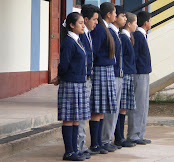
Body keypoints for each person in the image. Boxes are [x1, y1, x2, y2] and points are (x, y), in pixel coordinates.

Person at [57, 12, 89, 161]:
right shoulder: (69, 42)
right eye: (80, 23)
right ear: (72, 25)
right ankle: (69, 151)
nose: (83, 25)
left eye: (83, 22)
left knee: (76, 118)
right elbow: (64, 65)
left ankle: (75, 149)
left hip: (79, 83)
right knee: (69, 118)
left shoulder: (78, 40)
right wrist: (61, 76)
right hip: (70, 83)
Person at [102, 5, 133, 149]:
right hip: (113, 74)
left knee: (116, 109)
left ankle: (112, 138)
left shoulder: (116, 34)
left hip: (119, 74)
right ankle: (105, 140)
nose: (124, 19)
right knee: (110, 110)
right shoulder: (110, 33)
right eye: (121, 16)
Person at [89, 2, 117, 153]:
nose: (116, 16)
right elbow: (94, 51)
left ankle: (99, 143)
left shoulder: (104, 28)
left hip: (106, 70)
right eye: (114, 13)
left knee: (102, 109)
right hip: (100, 70)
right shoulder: (100, 29)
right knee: (97, 108)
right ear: (108, 14)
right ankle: (95, 144)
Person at [78, 4, 100, 158]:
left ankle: (82, 144)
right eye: (94, 19)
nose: (96, 23)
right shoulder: (79, 36)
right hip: (81, 79)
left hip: (88, 78)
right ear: (85, 19)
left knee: (85, 113)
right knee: (80, 115)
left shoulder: (88, 34)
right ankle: (78, 146)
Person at [127, 11, 152, 145]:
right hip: (139, 74)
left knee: (143, 105)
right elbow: (134, 56)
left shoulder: (142, 35)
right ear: (146, 22)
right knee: (138, 104)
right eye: (150, 20)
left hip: (143, 73)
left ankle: (140, 134)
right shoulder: (138, 36)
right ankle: (134, 134)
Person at [114, 12, 138, 146]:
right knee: (122, 106)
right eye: (135, 23)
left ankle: (120, 137)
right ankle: (118, 137)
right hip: (125, 74)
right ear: (128, 24)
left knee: (124, 107)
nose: (136, 25)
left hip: (129, 73)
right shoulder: (123, 37)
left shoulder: (128, 37)